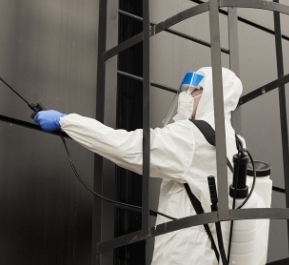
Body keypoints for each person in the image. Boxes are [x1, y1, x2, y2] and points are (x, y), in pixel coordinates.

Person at [33, 67, 243, 264]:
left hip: (185, 253)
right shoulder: (236, 144)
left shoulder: (193, 136)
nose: (185, 97)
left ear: (209, 95)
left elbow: (128, 147)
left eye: (193, 91)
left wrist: (67, 121)